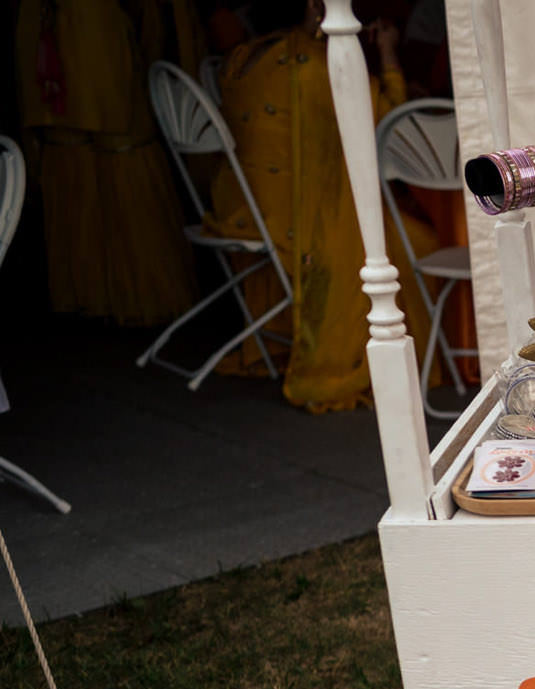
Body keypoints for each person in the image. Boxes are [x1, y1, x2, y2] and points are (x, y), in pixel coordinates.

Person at [200, 0, 437, 411]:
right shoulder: (318, 66)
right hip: (292, 224)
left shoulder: (245, 55)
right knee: (420, 241)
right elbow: (394, 130)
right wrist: (387, 55)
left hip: (239, 212)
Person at [13, 0, 205, 325]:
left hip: (93, 43)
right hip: (72, 40)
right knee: (82, 149)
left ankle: (118, 295)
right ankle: (101, 295)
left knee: (108, 147)